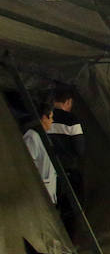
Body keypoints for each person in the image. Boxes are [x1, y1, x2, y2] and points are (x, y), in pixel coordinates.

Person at [47, 83, 85, 233]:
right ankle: (70, 242)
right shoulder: (71, 120)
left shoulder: (44, 118)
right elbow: (79, 149)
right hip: (69, 170)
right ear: (68, 101)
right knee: (70, 209)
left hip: (49, 172)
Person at [21, 101, 57, 204]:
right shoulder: (32, 136)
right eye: (51, 117)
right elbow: (27, 165)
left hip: (48, 191)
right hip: (39, 195)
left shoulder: (43, 136)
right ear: (44, 118)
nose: (52, 121)